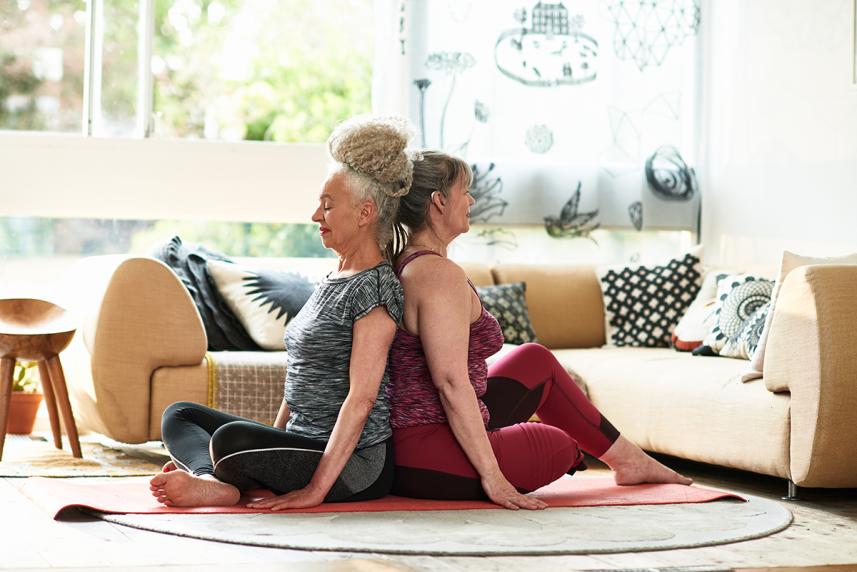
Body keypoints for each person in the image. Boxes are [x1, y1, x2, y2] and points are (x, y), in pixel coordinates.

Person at [387, 151, 693, 511]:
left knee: (534, 359)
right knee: (560, 446)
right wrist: (493, 476)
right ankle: (617, 461)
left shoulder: (414, 263)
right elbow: (451, 384)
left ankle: (630, 461)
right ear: (439, 201)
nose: (471, 201)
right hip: (429, 451)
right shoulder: (437, 275)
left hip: (427, 438)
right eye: (465, 191)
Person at [149, 116, 414, 510]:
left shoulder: (375, 288)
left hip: (354, 464)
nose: (315, 216)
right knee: (180, 414)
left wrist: (314, 491)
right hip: (302, 442)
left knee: (231, 440)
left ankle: (220, 476)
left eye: (328, 206)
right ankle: (211, 481)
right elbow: (299, 377)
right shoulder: (334, 278)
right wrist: (268, 453)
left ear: (365, 213)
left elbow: (362, 398)